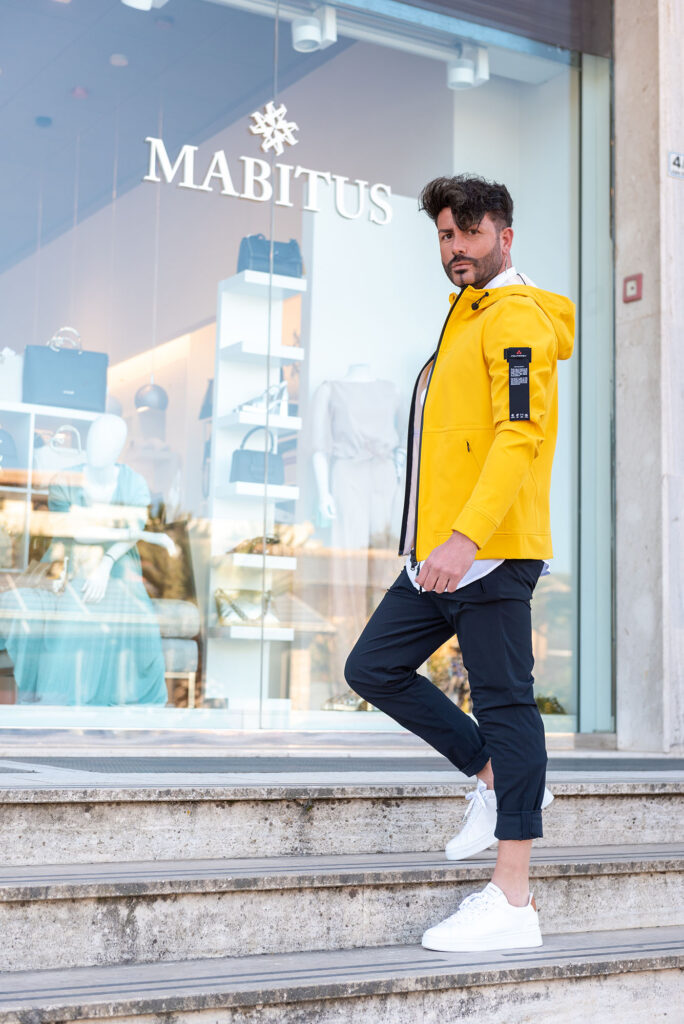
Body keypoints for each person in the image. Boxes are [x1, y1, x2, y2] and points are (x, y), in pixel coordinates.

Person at [344, 174, 574, 952]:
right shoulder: (465, 314)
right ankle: (490, 775)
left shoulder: (516, 317)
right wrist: (432, 543)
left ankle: (513, 899)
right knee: (373, 667)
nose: (455, 248)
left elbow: (520, 435)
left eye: (469, 233)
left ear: (504, 237)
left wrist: (467, 537)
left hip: (489, 552)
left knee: (507, 704)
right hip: (438, 555)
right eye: (445, 235)